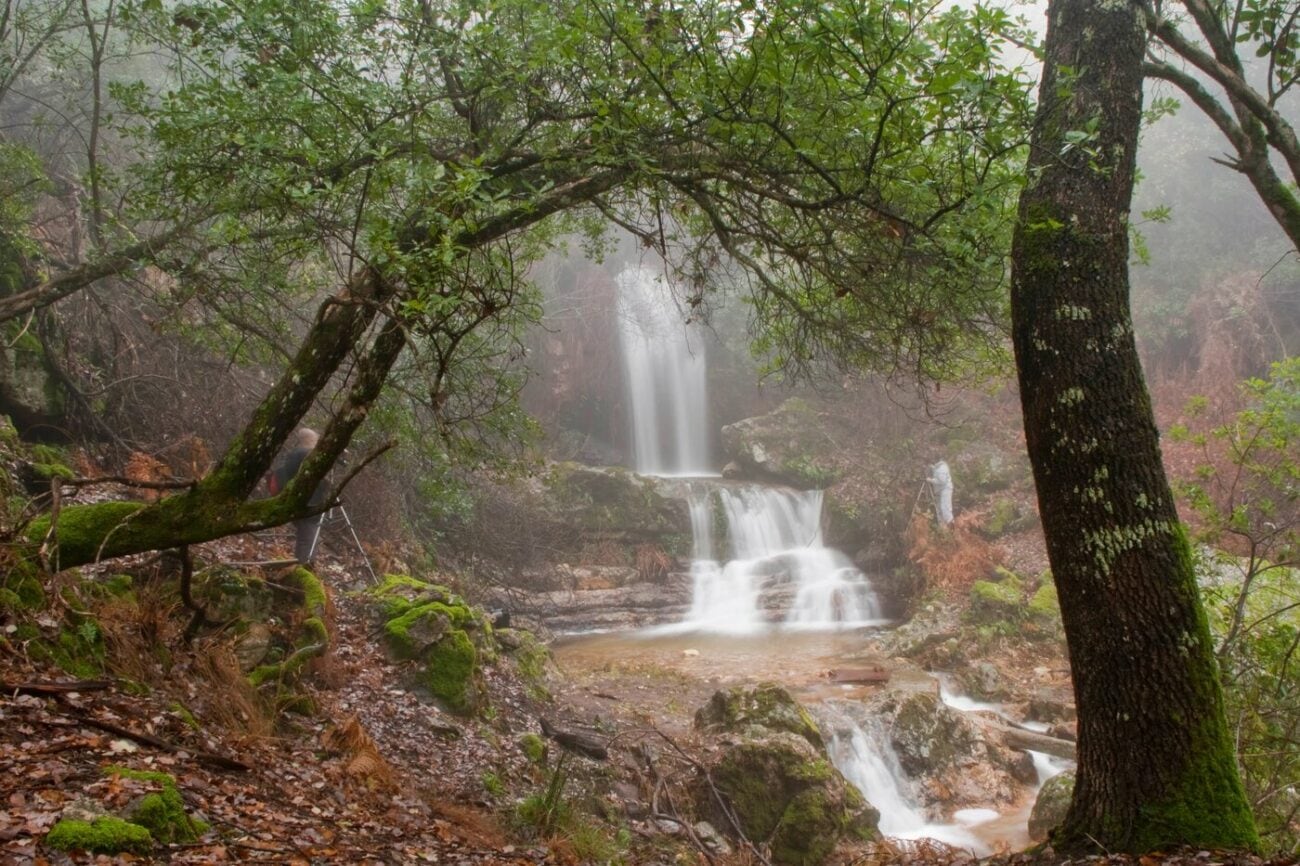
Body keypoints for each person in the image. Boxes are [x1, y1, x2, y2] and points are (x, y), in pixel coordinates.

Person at [268, 427, 329, 563]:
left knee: (304, 536)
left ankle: (299, 564)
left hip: (298, 500)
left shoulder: (295, 454)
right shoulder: (306, 454)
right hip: (309, 502)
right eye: (315, 439)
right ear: (310, 440)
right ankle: (305, 565)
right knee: (309, 536)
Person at [927, 460, 954, 526]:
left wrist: (930, 480)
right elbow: (937, 473)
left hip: (945, 489)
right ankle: (943, 528)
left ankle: (951, 525)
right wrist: (932, 468)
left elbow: (942, 481)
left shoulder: (942, 468)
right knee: (939, 509)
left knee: (945, 508)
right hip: (939, 491)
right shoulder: (938, 467)